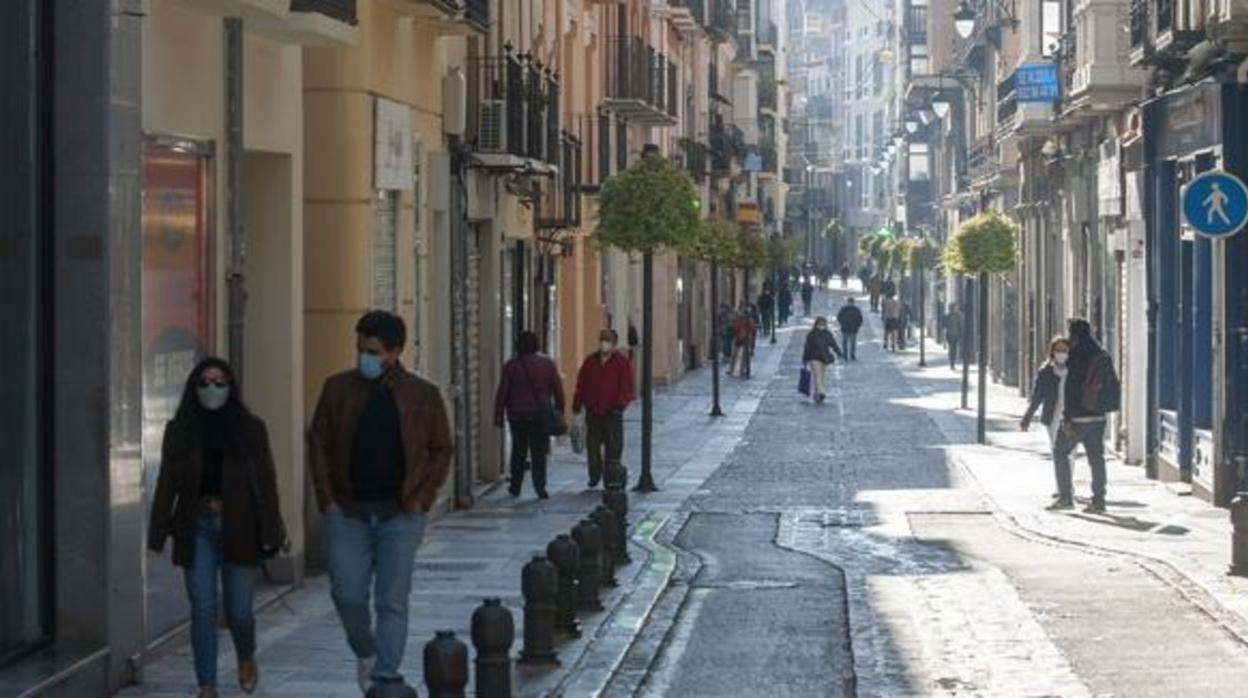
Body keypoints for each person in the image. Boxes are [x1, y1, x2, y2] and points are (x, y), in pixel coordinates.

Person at [309, 310, 454, 695]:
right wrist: (327, 500)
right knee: (347, 594)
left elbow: (442, 448)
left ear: (394, 351)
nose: (364, 358)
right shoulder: (337, 389)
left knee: (392, 600)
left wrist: (423, 499)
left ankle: (385, 677)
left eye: (372, 351)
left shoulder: (422, 395)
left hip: (400, 515)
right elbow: (318, 441)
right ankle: (366, 651)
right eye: (360, 349)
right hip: (347, 512)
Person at [148, 357, 285, 698]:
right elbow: (167, 482)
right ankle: (206, 686)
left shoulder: (251, 429)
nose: (212, 388)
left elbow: (266, 482)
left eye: (219, 382)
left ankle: (246, 655)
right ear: (194, 388)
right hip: (197, 526)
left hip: (240, 526)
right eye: (205, 382)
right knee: (203, 609)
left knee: (239, 612)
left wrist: (272, 529)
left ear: (231, 387)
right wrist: (157, 533)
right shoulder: (180, 429)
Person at [1050, 319, 1119, 513]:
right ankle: (1099, 500)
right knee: (1096, 459)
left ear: (1075, 335)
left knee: (1060, 451)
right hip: (1098, 416)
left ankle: (1065, 497)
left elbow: (1071, 389)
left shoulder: (1076, 355)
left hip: (1078, 417)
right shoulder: (1101, 354)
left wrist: (1067, 418)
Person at [494, 330, 565, 499]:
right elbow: (557, 389)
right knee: (538, 452)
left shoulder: (511, 366)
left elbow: (503, 392)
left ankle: (515, 486)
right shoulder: (547, 364)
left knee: (518, 451)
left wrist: (498, 414)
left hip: (517, 415)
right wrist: (559, 409)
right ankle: (540, 487)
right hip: (539, 415)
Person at [573, 329, 635, 487]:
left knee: (613, 447)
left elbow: (627, 387)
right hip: (593, 411)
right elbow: (581, 383)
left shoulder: (621, 363)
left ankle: (610, 477)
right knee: (592, 446)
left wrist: (619, 406)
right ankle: (594, 475)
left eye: (607, 341)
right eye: (602, 340)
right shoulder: (590, 361)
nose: (604, 344)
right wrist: (577, 404)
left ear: (614, 344)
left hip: (612, 412)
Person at [1021, 337, 1070, 447]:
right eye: (1058, 350)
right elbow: (1037, 397)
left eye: (1064, 350)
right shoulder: (1046, 372)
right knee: (1057, 449)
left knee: (1070, 451)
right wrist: (1027, 419)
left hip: (1071, 417)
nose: (1061, 353)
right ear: (1052, 352)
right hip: (1053, 416)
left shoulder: (1074, 370)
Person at [802, 316, 844, 404]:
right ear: (816, 324)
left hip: (824, 358)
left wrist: (839, 353)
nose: (821, 326)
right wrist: (805, 359)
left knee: (820, 377)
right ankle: (821, 393)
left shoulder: (827, 334)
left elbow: (833, 344)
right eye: (820, 324)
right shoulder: (812, 334)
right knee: (817, 376)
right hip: (814, 358)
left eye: (823, 324)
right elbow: (807, 347)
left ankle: (816, 394)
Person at [730, 304, 756, 378]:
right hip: (739, 338)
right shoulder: (738, 320)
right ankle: (733, 369)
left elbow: (753, 331)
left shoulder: (749, 321)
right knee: (735, 355)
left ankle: (741, 370)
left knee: (744, 355)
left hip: (745, 339)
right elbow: (734, 329)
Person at [945, 303, 964, 370]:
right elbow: (961, 326)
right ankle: (952, 363)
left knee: (952, 348)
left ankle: (952, 362)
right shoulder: (958, 316)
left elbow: (945, 325)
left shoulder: (948, 316)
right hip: (955, 335)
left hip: (949, 334)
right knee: (954, 349)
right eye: (956, 307)